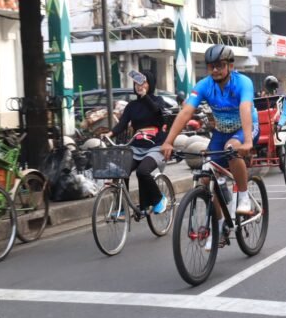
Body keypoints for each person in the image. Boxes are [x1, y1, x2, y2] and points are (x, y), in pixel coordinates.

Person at [161, 44, 259, 249]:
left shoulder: (243, 82)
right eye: (211, 66)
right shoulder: (204, 85)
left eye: (220, 65)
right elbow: (186, 112)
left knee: (232, 149)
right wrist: (169, 141)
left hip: (245, 128)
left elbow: (245, 108)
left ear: (230, 66)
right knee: (208, 177)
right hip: (221, 131)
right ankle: (220, 226)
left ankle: (243, 197)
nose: (215, 70)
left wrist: (248, 141)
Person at [103, 70, 169, 215]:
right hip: (136, 146)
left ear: (150, 84)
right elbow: (121, 125)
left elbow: (159, 115)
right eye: (136, 83)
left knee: (142, 172)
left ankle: (159, 199)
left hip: (155, 146)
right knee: (120, 170)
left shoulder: (158, 100)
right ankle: (121, 208)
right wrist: (109, 134)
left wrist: (146, 97)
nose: (139, 85)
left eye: (143, 82)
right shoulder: (131, 106)